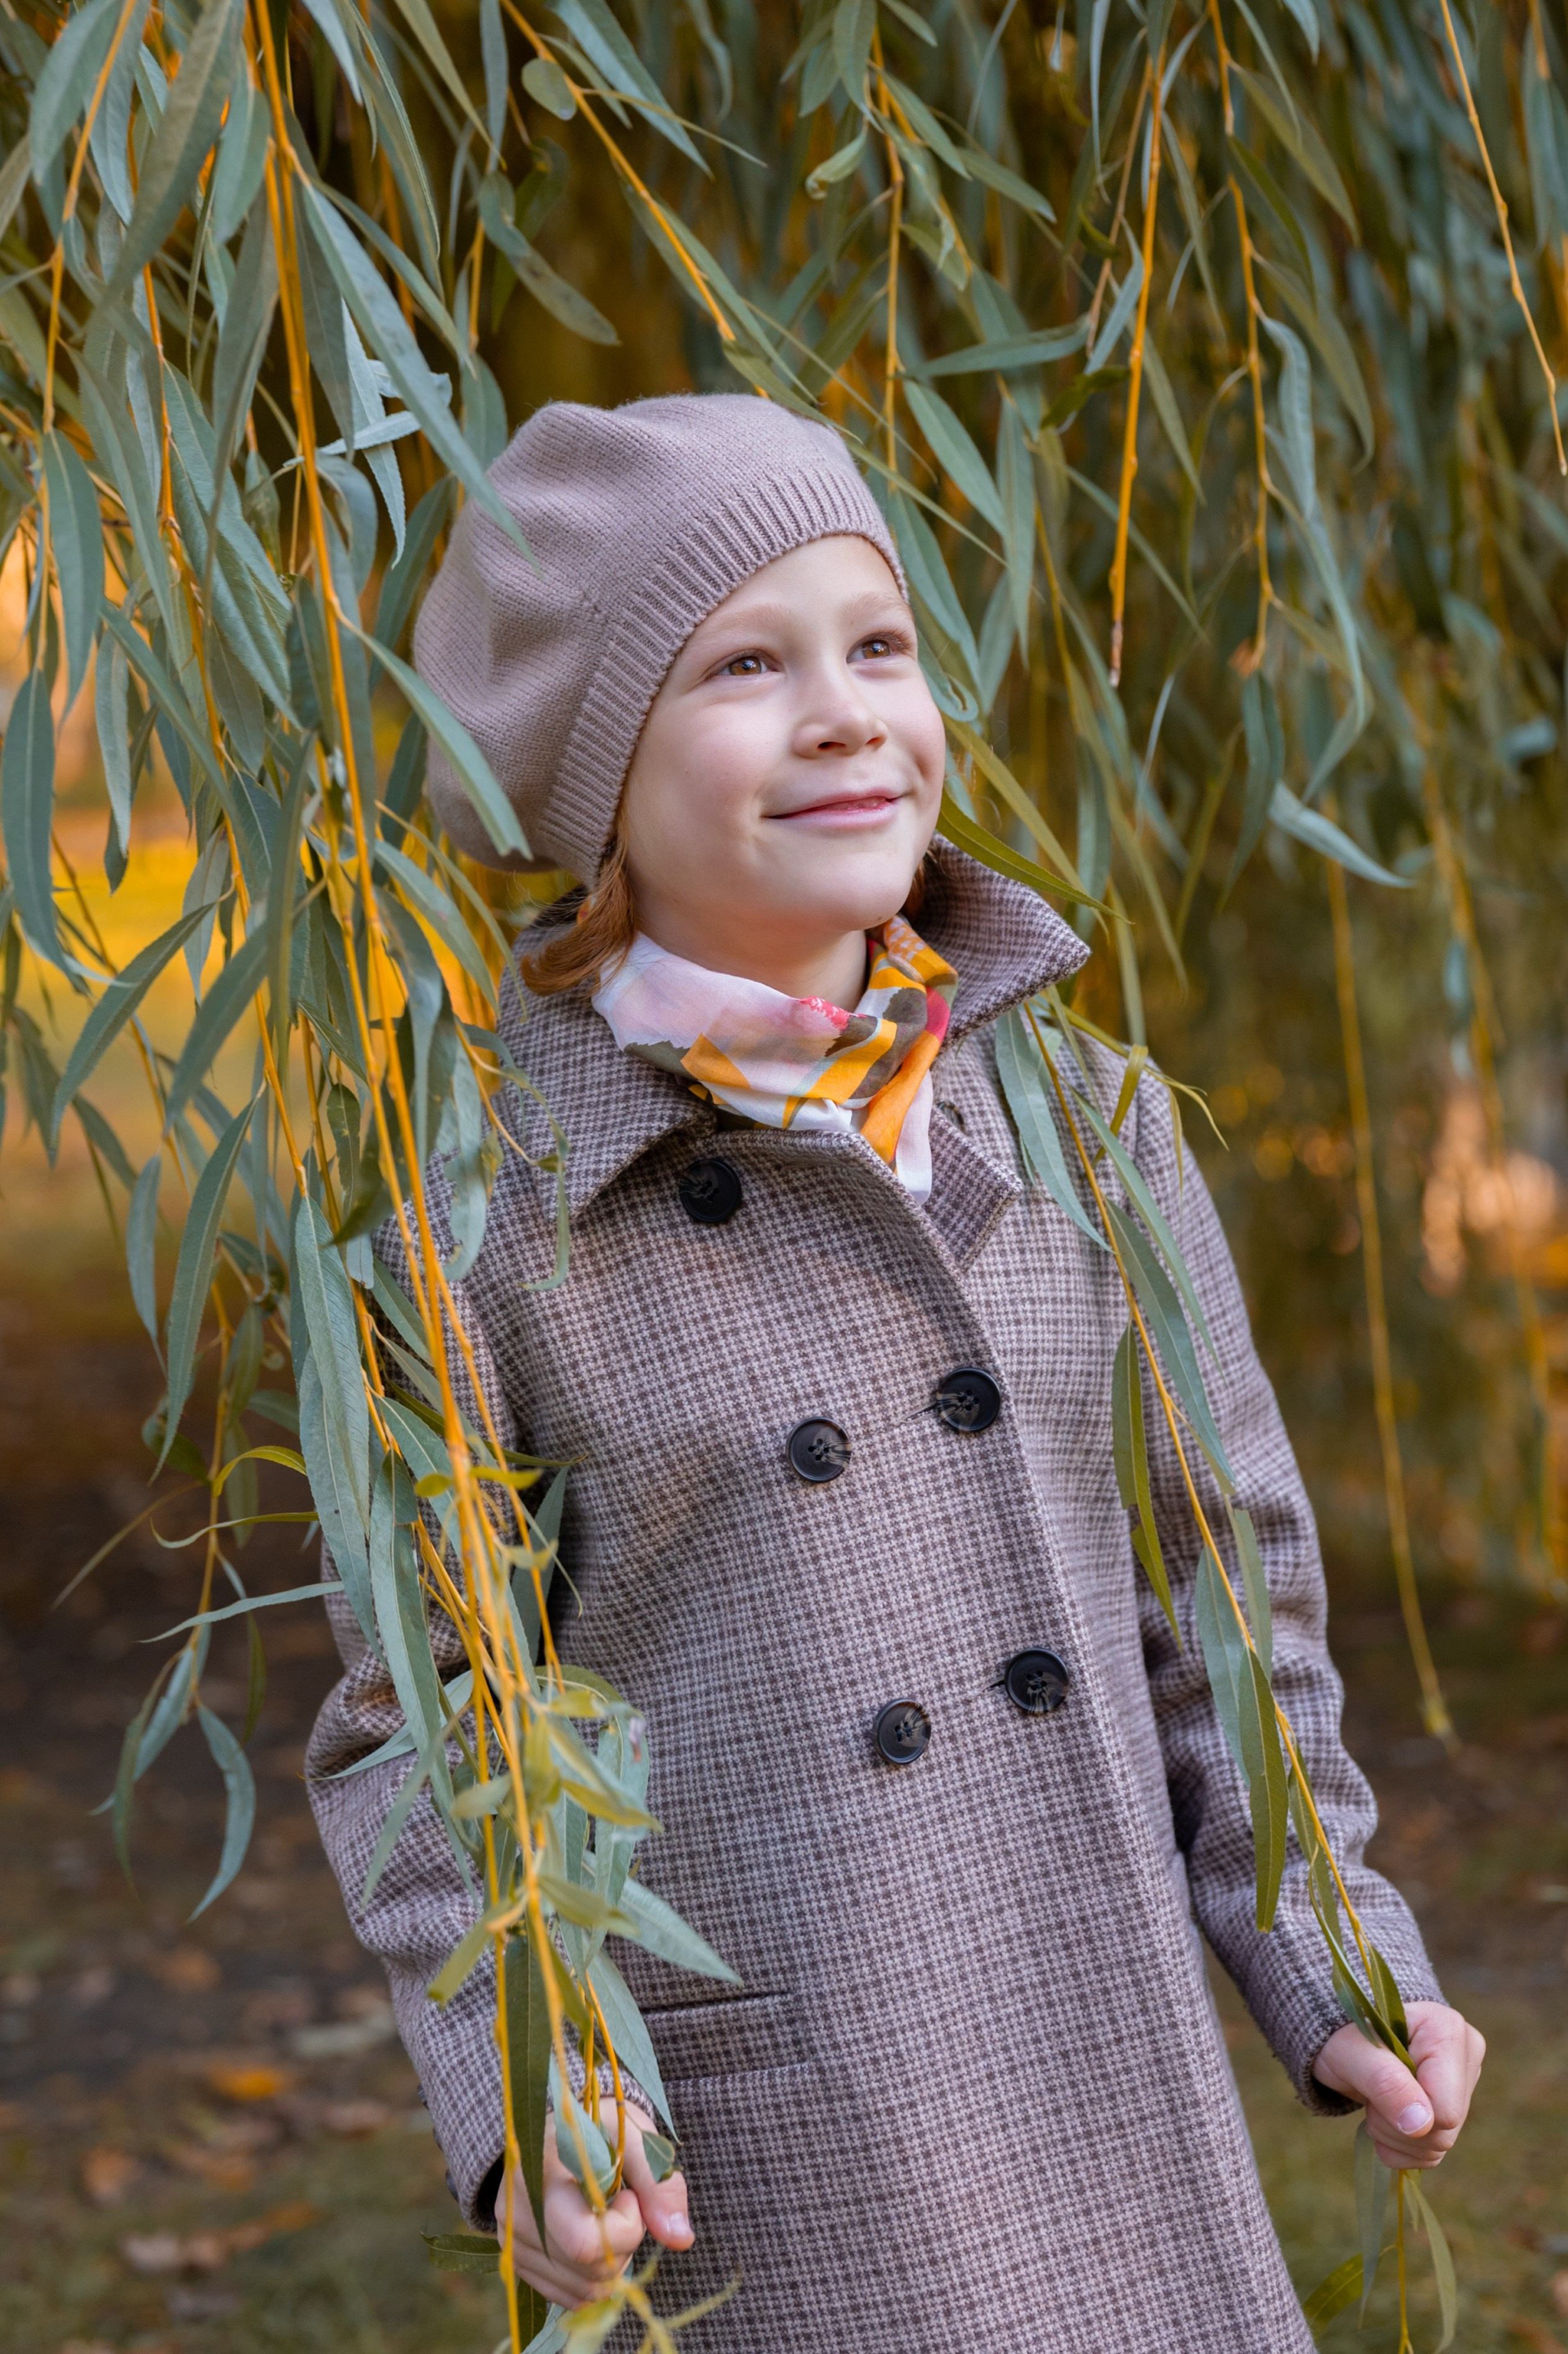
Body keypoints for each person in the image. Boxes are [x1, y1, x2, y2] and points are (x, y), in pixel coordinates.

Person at [306, 394, 1484, 2350]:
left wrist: (1335, 1946)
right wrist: (535, 2081)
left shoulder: (1088, 1121)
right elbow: (427, 1724)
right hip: (785, 2109)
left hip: (1099, 2053)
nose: (849, 712)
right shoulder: (474, 1212)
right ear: (594, 773)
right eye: (745, 669)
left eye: (880, 646)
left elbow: (1226, 1591)